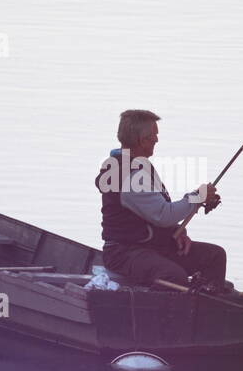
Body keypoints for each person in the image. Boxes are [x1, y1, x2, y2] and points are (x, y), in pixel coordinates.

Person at [94, 110, 227, 291]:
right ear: (143, 140)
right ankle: (175, 312)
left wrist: (176, 231)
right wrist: (198, 197)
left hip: (151, 246)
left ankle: (208, 303)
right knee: (173, 277)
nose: (157, 139)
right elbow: (163, 214)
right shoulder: (129, 175)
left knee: (214, 256)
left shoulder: (135, 165)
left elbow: (151, 212)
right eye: (154, 135)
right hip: (125, 253)